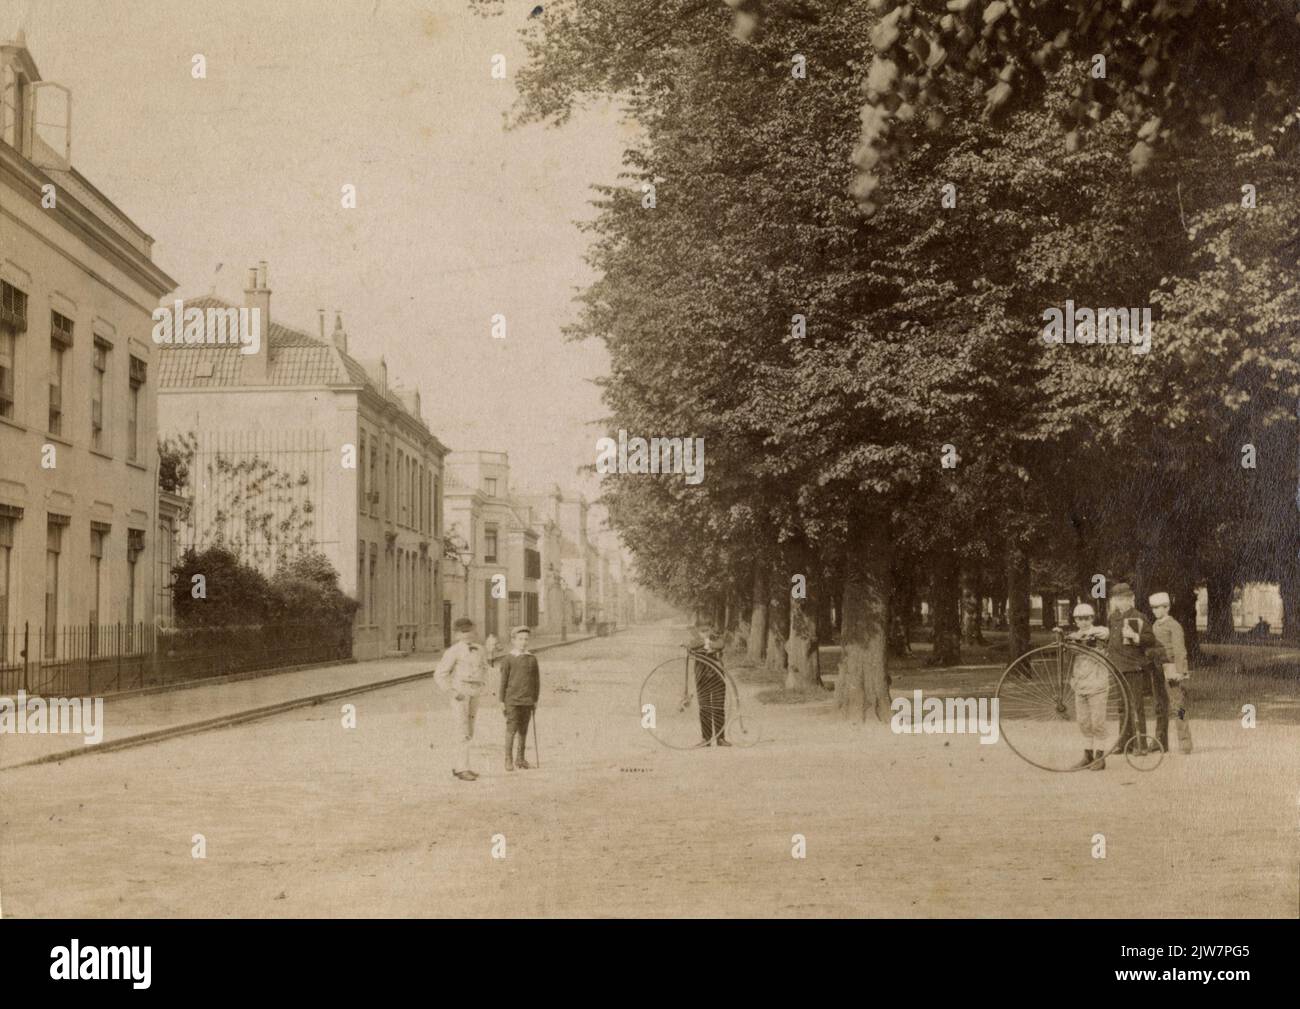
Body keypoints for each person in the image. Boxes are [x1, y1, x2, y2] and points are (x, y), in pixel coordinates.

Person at [1105, 582, 1167, 753]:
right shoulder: (1113, 618)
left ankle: (1140, 744)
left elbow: (1150, 639)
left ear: (1131, 599)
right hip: (1117, 667)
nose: (1121, 602)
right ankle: (1125, 743)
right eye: (1117, 599)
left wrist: (1135, 637)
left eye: (1124, 598)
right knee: (1122, 706)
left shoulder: (1138, 616)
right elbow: (1112, 639)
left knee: (1135, 705)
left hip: (1134, 666)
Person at [433, 618, 492, 781]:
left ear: (475, 631)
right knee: (462, 731)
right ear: (457, 634)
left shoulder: (480, 649)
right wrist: (452, 692)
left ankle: (460, 765)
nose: (466, 635)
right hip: (461, 693)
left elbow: (485, 668)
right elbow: (440, 674)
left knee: (470, 731)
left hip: (475, 692)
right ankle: (462, 768)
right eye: (462, 632)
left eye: (469, 631)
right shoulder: (453, 651)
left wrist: (483, 686)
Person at [1065, 603, 1111, 770]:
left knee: (1098, 721)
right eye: (1079, 619)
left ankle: (1100, 756)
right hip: (1081, 684)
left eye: (1086, 618)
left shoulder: (1100, 632)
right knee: (1083, 722)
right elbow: (1069, 652)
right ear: (1075, 620)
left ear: (1092, 618)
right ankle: (1088, 755)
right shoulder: (1074, 637)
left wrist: (1085, 637)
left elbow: (1104, 634)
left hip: (1097, 684)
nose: (1083, 622)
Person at [1149, 591, 1193, 754]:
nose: (1155, 611)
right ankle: (1160, 743)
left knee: (1178, 706)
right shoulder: (1154, 625)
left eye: (1158, 607)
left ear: (1167, 607)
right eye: (1153, 608)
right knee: (1159, 705)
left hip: (1171, 668)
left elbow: (1179, 649)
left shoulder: (1174, 625)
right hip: (1157, 668)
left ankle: (1185, 743)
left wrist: (1181, 671)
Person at [498, 625, 540, 771]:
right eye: (520, 639)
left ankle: (520, 759)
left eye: (526, 639)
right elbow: (503, 681)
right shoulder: (508, 659)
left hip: (527, 700)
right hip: (512, 700)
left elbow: (536, 682)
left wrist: (535, 700)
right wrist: (502, 701)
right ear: (513, 641)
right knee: (511, 729)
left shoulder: (532, 659)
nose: (523, 642)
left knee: (523, 730)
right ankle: (508, 760)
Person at [687, 626, 730, 747]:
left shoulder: (717, 639)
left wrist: (708, 644)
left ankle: (720, 738)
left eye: (707, 630)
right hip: (702, 678)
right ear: (698, 632)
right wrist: (706, 644)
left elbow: (720, 645)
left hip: (717, 677)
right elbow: (690, 647)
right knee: (704, 707)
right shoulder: (694, 641)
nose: (704, 633)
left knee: (718, 707)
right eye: (702, 631)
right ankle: (706, 739)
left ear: (711, 630)